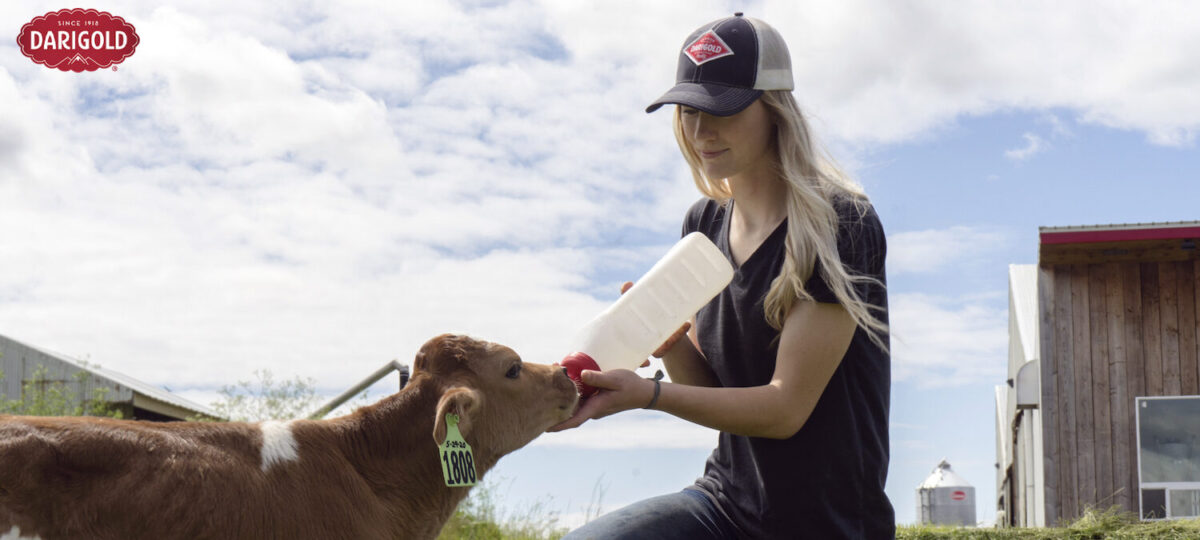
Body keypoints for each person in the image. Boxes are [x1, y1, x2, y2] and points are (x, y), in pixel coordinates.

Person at [550, 13, 895, 539]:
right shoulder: (702, 225)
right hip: (726, 506)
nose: (700, 130)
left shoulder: (841, 223)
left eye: (721, 110)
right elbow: (717, 395)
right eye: (688, 110)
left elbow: (784, 409)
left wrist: (648, 395)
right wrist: (672, 347)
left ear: (775, 110)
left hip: (829, 525)